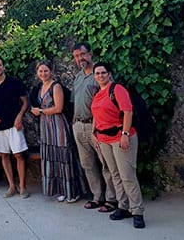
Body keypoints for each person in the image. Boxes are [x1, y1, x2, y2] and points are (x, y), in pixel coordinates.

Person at [91, 62, 146, 229]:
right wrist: (95, 134)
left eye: (103, 73)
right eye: (97, 73)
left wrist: (125, 134)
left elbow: (128, 111)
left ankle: (137, 211)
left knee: (127, 175)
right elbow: (96, 114)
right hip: (104, 139)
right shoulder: (97, 93)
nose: (100, 76)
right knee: (115, 174)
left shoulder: (117, 90)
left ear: (109, 74)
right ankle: (123, 206)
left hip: (120, 137)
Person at [30, 61, 85, 202]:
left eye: (46, 71)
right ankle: (61, 189)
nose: (43, 73)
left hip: (57, 124)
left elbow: (58, 108)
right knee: (52, 156)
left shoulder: (56, 86)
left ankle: (72, 191)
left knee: (64, 156)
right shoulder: (40, 87)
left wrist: (40, 111)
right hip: (46, 126)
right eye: (40, 71)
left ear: (51, 71)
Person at [72, 43, 117, 211]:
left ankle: (112, 199)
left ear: (90, 54)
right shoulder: (78, 77)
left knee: (106, 163)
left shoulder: (99, 75)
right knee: (87, 164)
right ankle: (97, 196)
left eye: (82, 54)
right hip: (78, 125)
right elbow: (75, 101)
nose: (80, 58)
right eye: (76, 56)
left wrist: (98, 126)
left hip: (96, 126)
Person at [0, 56, 30, 199]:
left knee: (19, 155)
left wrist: (19, 116)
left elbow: (25, 102)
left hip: (14, 124)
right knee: (4, 155)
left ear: (3, 67)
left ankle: (22, 187)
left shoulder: (14, 83)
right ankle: (11, 186)